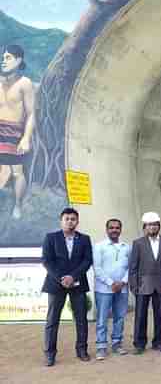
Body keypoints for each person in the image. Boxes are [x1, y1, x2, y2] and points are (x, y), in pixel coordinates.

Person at [41, 208, 93, 366]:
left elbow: (87, 260)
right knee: (52, 320)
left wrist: (73, 277)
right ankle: (50, 354)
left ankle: (82, 350)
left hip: (78, 284)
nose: (70, 221)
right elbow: (47, 260)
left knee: (81, 319)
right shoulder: (51, 238)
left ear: (77, 221)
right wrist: (62, 278)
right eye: (67, 219)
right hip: (56, 284)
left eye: (73, 219)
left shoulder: (84, 239)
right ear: (61, 221)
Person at [129, 212, 161, 354]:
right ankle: (139, 344)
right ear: (145, 227)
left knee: (160, 314)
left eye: (155, 224)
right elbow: (133, 267)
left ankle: (158, 342)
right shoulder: (138, 243)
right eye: (149, 225)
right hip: (143, 284)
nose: (152, 227)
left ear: (159, 226)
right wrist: (134, 285)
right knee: (140, 315)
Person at [0, 45, 35, 219]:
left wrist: (26, 137)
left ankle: (18, 205)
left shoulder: (25, 83)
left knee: (17, 172)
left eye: (8, 58)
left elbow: (31, 113)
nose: (3, 60)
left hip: (14, 133)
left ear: (19, 60)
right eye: (3, 57)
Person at [93, 218, 131, 361]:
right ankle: (101, 346)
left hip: (122, 288)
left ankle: (117, 343)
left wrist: (122, 282)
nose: (114, 230)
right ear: (106, 229)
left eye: (117, 228)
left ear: (120, 230)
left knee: (120, 317)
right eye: (111, 228)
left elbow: (130, 267)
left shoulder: (126, 247)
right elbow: (97, 268)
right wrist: (111, 283)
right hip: (103, 289)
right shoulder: (99, 246)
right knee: (102, 318)